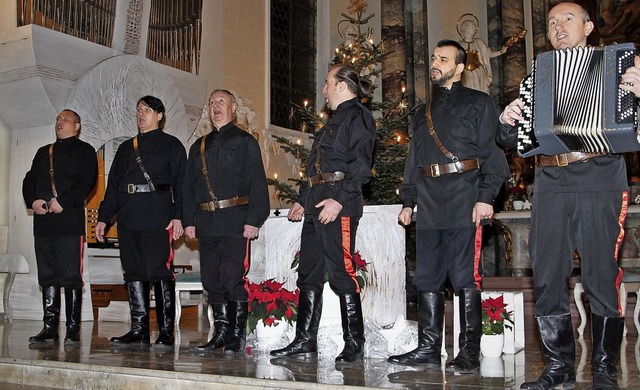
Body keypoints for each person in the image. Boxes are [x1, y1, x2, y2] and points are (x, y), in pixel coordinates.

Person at [497, 2, 640, 389]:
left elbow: (634, 128)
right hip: (550, 178)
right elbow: (513, 140)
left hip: (600, 172)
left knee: (599, 272)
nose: (559, 27)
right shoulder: (539, 75)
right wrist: (507, 120)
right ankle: (558, 367)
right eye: (552, 22)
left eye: (568, 19)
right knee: (545, 274)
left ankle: (605, 369)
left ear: (589, 27)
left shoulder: (621, 67)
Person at [387, 39, 510, 373]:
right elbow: (414, 161)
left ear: (459, 67)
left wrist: (486, 196)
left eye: (443, 58)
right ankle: (428, 348)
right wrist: (408, 201)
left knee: (464, 278)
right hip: (428, 202)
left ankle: (468, 351)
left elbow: (492, 155)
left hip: (465, 199)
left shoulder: (479, 103)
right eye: (433, 57)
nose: (435, 62)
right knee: (426, 278)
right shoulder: (421, 112)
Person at [270, 64, 376, 363]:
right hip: (316, 203)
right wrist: (303, 199)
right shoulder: (330, 123)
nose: (324, 90)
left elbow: (359, 167)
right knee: (309, 273)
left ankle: (355, 342)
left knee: (342, 272)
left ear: (342, 85)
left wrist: (339, 200)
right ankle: (305, 340)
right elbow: (316, 168)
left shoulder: (359, 117)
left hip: (337, 204)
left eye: (328, 83)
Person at [95, 95, 186, 348]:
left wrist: (179, 215)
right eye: (138, 110)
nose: (141, 114)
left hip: (158, 215)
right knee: (133, 271)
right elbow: (112, 187)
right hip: (128, 216)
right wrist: (103, 218)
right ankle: (139, 330)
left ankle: (166, 331)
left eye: (146, 110)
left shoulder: (172, 145)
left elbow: (182, 184)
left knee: (158, 270)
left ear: (159, 115)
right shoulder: (126, 148)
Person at [184, 89, 269, 354]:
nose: (215, 106)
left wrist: (253, 219)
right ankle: (219, 333)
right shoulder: (198, 146)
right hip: (207, 222)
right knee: (211, 279)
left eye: (221, 102)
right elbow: (188, 187)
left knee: (233, 277)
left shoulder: (245, 141)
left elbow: (257, 181)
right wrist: (189, 220)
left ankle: (237, 334)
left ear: (233, 108)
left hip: (235, 219)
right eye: (211, 103)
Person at [22, 109, 98, 344]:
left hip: (69, 223)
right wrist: (33, 200)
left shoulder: (85, 151)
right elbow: (29, 180)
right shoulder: (44, 152)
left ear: (77, 127)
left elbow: (87, 182)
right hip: (44, 224)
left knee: (70, 277)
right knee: (47, 276)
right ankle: (49, 328)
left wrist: (62, 202)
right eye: (57, 119)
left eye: (65, 119)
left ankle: (73, 330)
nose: (59, 122)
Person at [458, 18, 507, 93]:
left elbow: (488, 54)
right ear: (466, 29)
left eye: (474, 26)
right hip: (465, 74)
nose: (474, 28)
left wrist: (501, 52)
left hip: (479, 73)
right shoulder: (459, 45)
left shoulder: (479, 43)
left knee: (479, 93)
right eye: (472, 26)